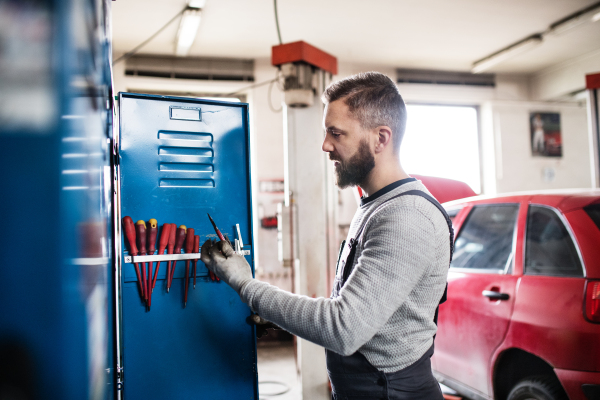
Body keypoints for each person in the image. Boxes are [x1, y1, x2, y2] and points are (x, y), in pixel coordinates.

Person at [201, 72, 452, 400]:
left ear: (381, 138)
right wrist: (277, 315)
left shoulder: (406, 218)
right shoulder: (376, 204)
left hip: (391, 392)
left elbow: (344, 327)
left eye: (336, 133)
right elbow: (362, 311)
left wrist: (247, 286)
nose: (325, 145)